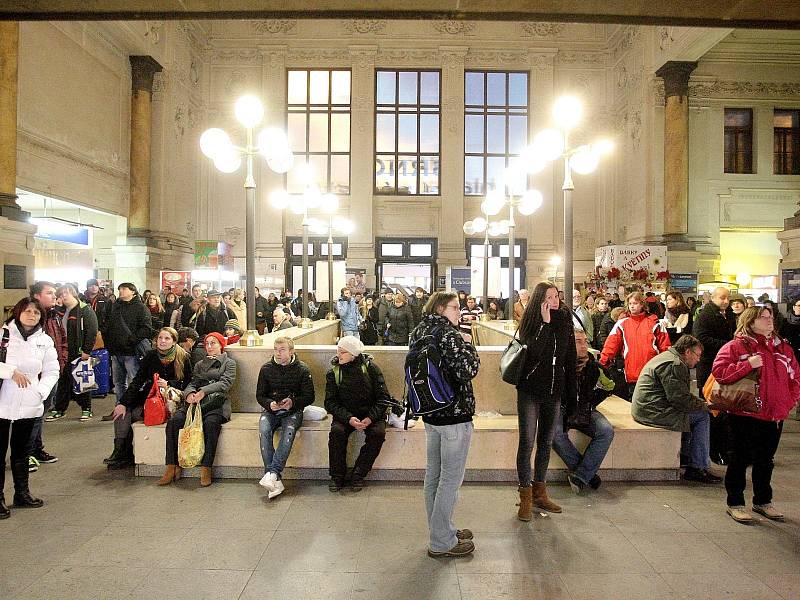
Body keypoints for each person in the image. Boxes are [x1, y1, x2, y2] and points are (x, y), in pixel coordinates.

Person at [712, 306, 800, 523]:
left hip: (773, 415)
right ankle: (735, 502)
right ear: (750, 322)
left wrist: (788, 403)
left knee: (765, 460)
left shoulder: (783, 349)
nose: (770, 321)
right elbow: (720, 372)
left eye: (771, 317)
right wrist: (746, 365)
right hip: (744, 413)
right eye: (764, 317)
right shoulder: (735, 346)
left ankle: (762, 501)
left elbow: (795, 378)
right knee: (739, 459)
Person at [409, 291, 480, 557]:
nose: (458, 312)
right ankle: (441, 541)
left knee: (434, 476)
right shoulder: (449, 335)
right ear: (440, 308)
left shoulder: (418, 331)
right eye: (454, 307)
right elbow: (468, 370)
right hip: (454, 413)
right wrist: (468, 343)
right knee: (450, 479)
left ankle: (443, 529)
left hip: (430, 412)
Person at [515, 281, 576, 519]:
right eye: (549, 297)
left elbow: (569, 358)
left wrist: (572, 393)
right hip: (530, 390)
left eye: (556, 296)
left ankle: (540, 491)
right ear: (540, 300)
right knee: (527, 442)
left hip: (554, 391)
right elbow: (533, 354)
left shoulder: (564, 321)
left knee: (546, 442)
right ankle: (525, 496)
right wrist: (545, 324)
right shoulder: (531, 322)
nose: (554, 301)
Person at [631, 335, 721, 483]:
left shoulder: (667, 357)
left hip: (648, 407)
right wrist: (706, 406)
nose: (698, 360)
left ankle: (687, 456)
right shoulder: (675, 364)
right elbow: (679, 400)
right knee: (702, 416)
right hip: (652, 411)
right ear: (687, 352)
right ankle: (697, 467)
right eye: (697, 355)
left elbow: (680, 397)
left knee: (695, 413)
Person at [0, 298, 60, 517]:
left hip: (29, 402)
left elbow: (53, 370)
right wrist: (9, 372)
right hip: (3, 400)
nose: (31, 315)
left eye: (36, 312)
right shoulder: (4, 335)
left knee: (22, 451)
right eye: (27, 311)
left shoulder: (44, 341)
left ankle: (22, 493)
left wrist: (40, 392)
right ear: (18, 312)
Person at [107, 327, 193, 469]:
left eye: (167, 338)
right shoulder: (151, 356)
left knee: (135, 414)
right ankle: (120, 452)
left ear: (174, 341)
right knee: (123, 411)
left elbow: (190, 382)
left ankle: (125, 453)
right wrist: (122, 402)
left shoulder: (183, 356)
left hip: (172, 400)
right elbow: (137, 381)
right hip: (151, 396)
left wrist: (169, 384)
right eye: (160, 338)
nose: (162, 341)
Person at [158, 332, 237, 487]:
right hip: (196, 402)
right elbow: (193, 382)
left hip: (216, 402)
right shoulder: (200, 364)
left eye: (213, 343)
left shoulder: (229, 363)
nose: (209, 347)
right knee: (174, 422)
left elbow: (225, 383)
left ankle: (206, 467)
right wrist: (189, 394)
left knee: (211, 424)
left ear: (221, 345)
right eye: (207, 344)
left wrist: (204, 391)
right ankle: (172, 466)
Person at [552, 328, 615, 494]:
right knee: (555, 434)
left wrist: (592, 401)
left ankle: (581, 475)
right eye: (578, 341)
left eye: (585, 341)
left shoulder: (594, 367)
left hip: (584, 409)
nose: (583, 345)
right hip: (561, 408)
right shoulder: (558, 364)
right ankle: (587, 474)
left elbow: (610, 386)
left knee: (606, 431)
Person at [324, 336, 390, 492]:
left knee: (377, 434)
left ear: (353, 354)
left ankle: (359, 473)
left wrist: (370, 418)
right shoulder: (334, 372)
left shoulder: (371, 369)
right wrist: (348, 418)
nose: (338, 355)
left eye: (343, 352)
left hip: (370, 413)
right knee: (337, 433)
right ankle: (337, 476)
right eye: (338, 351)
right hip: (346, 414)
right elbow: (330, 402)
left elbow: (383, 398)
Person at [256, 337, 315, 499]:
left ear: (291, 351)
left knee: (288, 432)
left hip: (292, 410)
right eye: (276, 349)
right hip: (271, 410)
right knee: (264, 430)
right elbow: (260, 395)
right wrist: (269, 404)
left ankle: (272, 473)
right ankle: (275, 477)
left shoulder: (302, 369)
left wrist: (293, 402)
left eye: (282, 350)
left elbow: (310, 396)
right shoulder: (266, 369)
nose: (278, 353)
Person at [599, 291, 671, 399]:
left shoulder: (655, 323)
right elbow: (611, 345)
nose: (632, 306)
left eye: (635, 303)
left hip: (652, 372)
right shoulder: (622, 323)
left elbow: (665, 347)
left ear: (642, 304)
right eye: (630, 303)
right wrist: (602, 364)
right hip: (632, 372)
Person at [693, 286, 735, 464]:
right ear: (713, 298)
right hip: (709, 368)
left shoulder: (729, 315)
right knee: (712, 412)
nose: (725, 301)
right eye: (722, 298)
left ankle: (724, 448)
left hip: (726, 369)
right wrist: (729, 345)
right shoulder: (705, 315)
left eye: (727, 298)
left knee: (724, 412)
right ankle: (712, 450)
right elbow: (702, 339)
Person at [27, 281, 66, 470]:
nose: (54, 296)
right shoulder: (29, 317)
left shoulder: (54, 315)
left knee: (41, 413)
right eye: (49, 293)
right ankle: (24, 454)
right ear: (37, 296)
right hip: (34, 377)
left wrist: (61, 364)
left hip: (51, 375)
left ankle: (36, 449)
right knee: (30, 416)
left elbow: (62, 340)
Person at [48, 284, 98, 421]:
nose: (63, 296)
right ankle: (59, 409)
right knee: (63, 381)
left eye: (66, 293)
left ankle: (86, 408)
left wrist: (87, 350)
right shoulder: (60, 311)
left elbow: (92, 331)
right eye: (61, 294)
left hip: (79, 352)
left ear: (73, 293)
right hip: (63, 352)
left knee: (82, 380)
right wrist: (56, 307)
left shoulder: (85, 310)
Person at [102, 282, 155, 406]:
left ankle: (136, 407)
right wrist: (109, 344)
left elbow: (146, 329)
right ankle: (120, 407)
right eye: (119, 289)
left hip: (132, 352)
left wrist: (131, 340)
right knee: (118, 383)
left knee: (135, 381)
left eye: (124, 289)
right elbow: (109, 326)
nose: (121, 291)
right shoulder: (115, 306)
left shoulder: (141, 308)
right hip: (116, 352)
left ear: (133, 291)